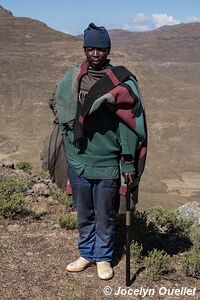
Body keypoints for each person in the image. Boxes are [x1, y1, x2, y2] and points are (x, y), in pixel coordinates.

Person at [55, 23, 147, 280]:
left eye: (101, 49)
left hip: (107, 160)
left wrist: (128, 163)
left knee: (105, 213)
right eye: (91, 48)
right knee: (84, 211)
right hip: (79, 159)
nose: (95, 53)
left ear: (108, 50)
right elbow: (59, 106)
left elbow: (129, 125)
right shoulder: (74, 77)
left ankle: (104, 258)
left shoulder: (122, 82)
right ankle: (86, 254)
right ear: (85, 49)